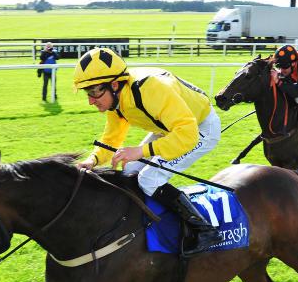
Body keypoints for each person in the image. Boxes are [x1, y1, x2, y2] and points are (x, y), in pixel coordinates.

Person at [73, 47, 221, 254]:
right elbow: (112, 138)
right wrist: (93, 160)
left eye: (94, 92)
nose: (90, 100)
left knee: (149, 179)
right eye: (87, 93)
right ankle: (142, 222)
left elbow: (187, 135)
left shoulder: (150, 89)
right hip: (169, 128)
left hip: (199, 129)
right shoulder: (118, 99)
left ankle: (204, 229)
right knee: (129, 170)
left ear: (114, 85)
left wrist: (142, 151)